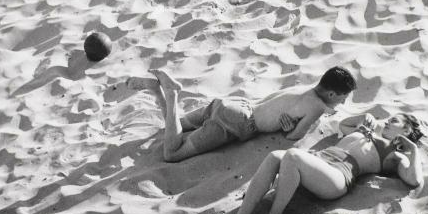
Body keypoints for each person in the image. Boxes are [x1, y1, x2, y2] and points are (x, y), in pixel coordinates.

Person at [226, 112, 425, 214]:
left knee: (293, 156)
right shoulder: (369, 131)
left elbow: (413, 179)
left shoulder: (395, 154)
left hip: (337, 177)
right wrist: (361, 118)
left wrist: (413, 150)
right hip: (319, 161)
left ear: (406, 129)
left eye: (394, 121)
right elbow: (343, 126)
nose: (388, 121)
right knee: (275, 156)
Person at [138, 66, 356, 162]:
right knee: (172, 154)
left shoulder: (303, 88)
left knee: (175, 123)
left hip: (233, 103)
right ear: (330, 92)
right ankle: (173, 93)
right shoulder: (317, 106)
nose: (343, 102)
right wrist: (291, 129)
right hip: (239, 122)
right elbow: (294, 137)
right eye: (342, 97)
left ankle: (157, 91)